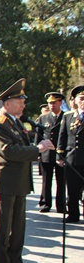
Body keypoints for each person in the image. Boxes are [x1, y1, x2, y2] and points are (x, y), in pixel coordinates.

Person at [0, 78, 54, 263]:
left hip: (18, 181)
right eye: (20, 101)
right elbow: (8, 151)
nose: (23, 105)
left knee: (18, 226)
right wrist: (37, 149)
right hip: (4, 181)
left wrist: (37, 149)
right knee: (3, 226)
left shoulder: (15, 122)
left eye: (23, 101)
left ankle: (15, 262)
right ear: (7, 104)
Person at [56, 85, 84, 223]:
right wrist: (59, 156)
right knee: (72, 189)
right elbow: (62, 137)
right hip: (72, 158)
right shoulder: (68, 116)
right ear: (76, 100)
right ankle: (73, 214)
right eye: (82, 99)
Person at [38, 92, 66, 213]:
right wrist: (38, 153)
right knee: (46, 180)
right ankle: (45, 203)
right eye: (50, 103)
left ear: (60, 103)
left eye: (54, 103)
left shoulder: (66, 117)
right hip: (46, 153)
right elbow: (38, 136)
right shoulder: (43, 118)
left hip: (61, 154)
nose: (51, 105)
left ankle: (61, 205)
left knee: (61, 180)